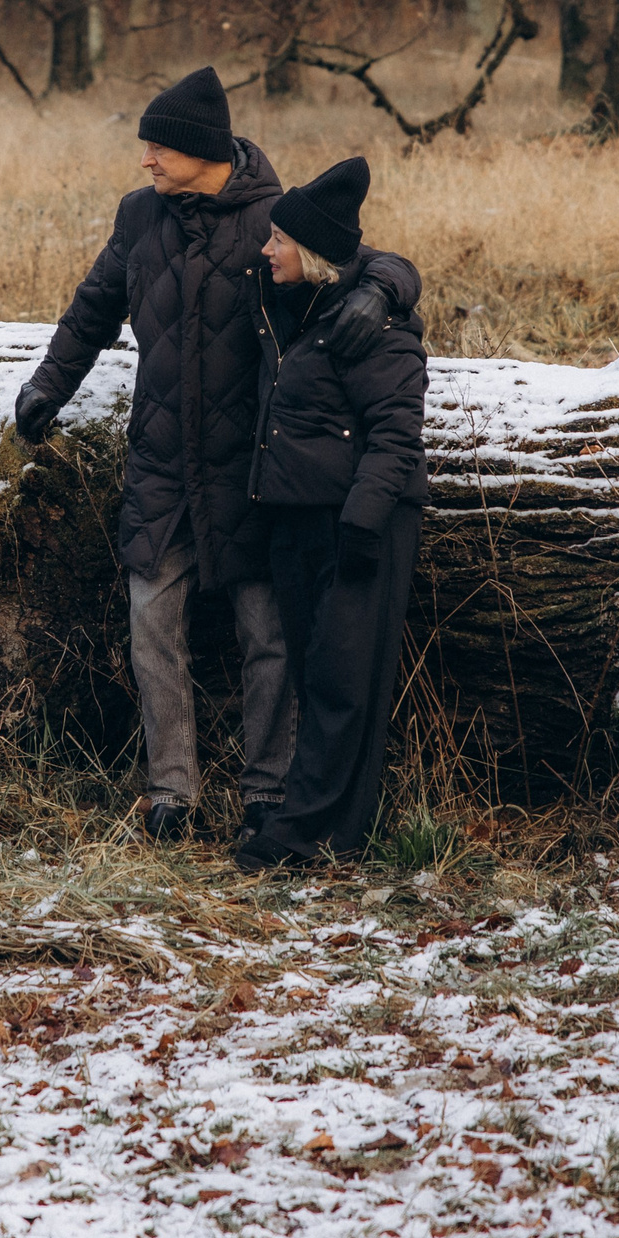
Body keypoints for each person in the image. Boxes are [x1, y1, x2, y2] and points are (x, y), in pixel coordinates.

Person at [12, 67, 419, 844]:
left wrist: (385, 293)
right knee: (151, 620)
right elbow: (91, 308)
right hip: (161, 460)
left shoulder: (272, 214)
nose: (146, 162)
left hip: (252, 471)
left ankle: (265, 789)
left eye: (159, 148)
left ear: (202, 151)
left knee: (266, 633)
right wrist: (47, 387)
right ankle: (172, 791)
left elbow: (371, 259)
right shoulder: (139, 217)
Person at [232, 157, 429, 872]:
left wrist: (362, 522)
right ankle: (321, 828)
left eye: (279, 240)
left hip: (359, 522)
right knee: (317, 677)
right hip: (294, 518)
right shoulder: (284, 304)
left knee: (347, 680)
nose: (266, 249)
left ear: (309, 252)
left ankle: (314, 834)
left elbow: (398, 432)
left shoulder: (369, 325)